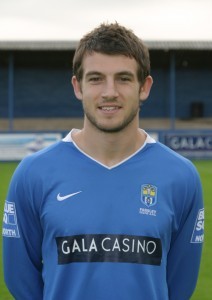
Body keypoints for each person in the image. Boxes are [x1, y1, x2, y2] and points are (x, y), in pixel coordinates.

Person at [2, 22, 204, 300]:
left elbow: (180, 285)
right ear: (78, 86)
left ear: (144, 87)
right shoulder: (32, 174)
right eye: (96, 78)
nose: (110, 92)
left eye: (123, 78)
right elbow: (21, 282)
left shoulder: (182, 177)